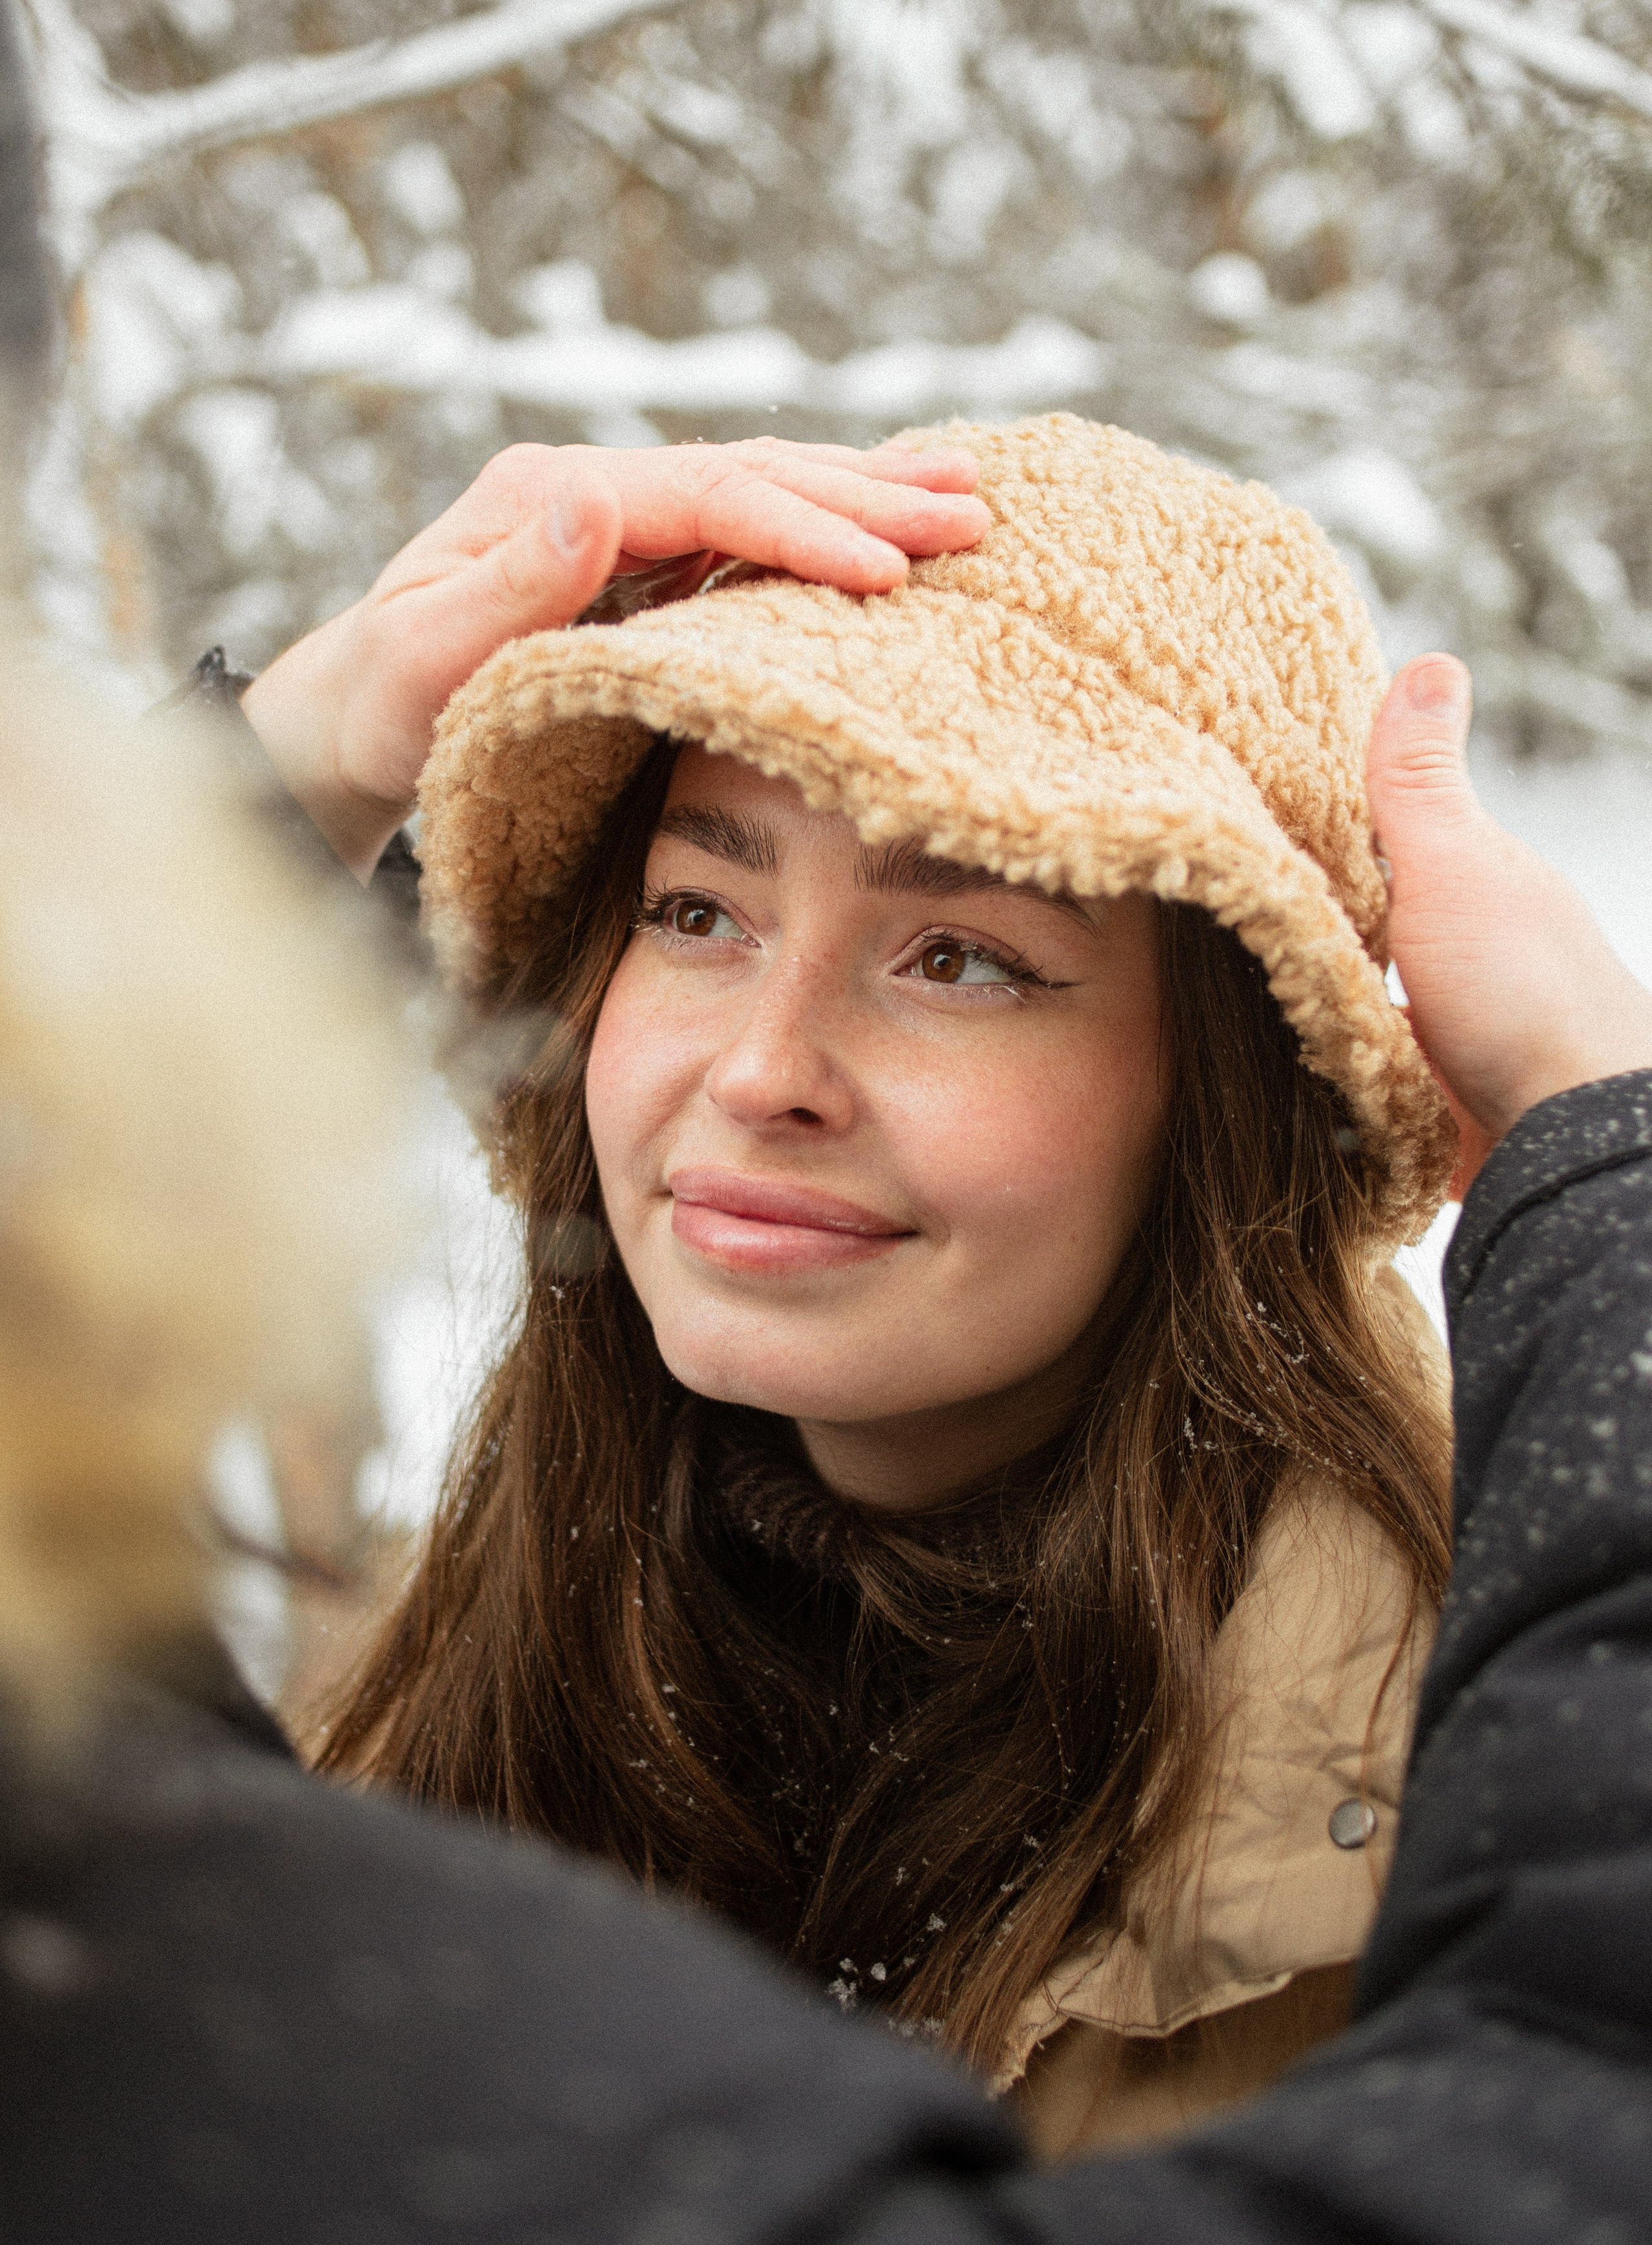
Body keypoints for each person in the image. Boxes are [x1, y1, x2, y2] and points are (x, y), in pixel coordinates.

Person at [287, 412, 1464, 2147]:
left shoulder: (1501, 1816)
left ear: (1221, 1099)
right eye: (697, 913)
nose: (764, 1070)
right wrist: (302, 756)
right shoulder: (428, 1672)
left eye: (961, 956)